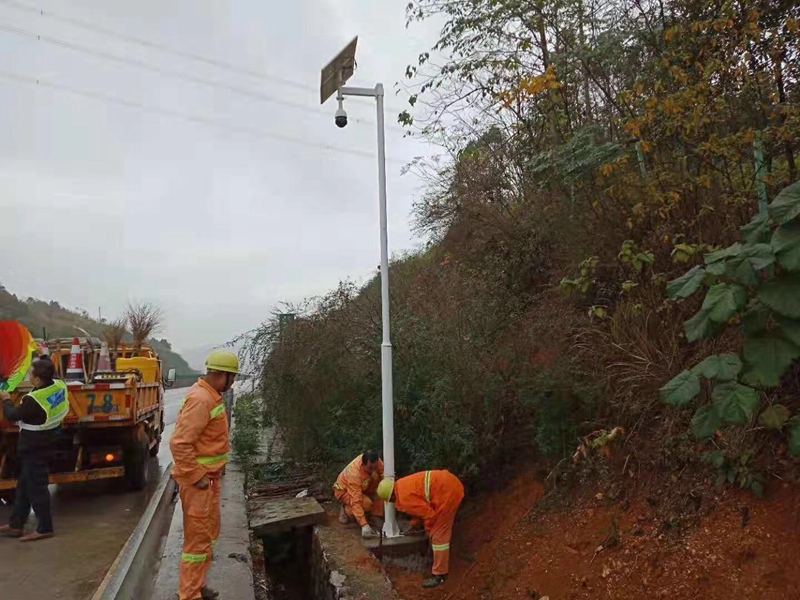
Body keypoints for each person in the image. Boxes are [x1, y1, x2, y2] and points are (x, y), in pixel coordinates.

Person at [170, 351, 239, 600]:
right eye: (231, 378)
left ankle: (197, 586)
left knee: (208, 537)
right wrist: (196, 475)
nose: (232, 383)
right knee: (197, 543)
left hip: (209, 481)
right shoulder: (201, 400)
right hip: (200, 484)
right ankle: (189, 595)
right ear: (223, 375)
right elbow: (180, 444)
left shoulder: (211, 397)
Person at [0, 356, 68, 541]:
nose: (29, 375)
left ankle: (45, 527)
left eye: (31, 373)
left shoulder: (33, 400)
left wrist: (6, 399)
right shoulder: (59, 385)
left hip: (35, 446)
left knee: (37, 487)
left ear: (38, 379)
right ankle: (16, 524)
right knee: (24, 484)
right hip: (50, 439)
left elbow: (12, 415)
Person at [377, 470, 465, 589]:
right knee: (436, 532)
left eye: (390, 500)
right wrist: (414, 525)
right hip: (448, 484)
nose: (392, 502)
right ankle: (437, 564)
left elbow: (429, 515)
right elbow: (420, 508)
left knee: (439, 536)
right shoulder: (401, 486)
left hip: (447, 493)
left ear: (391, 496)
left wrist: (429, 531)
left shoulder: (404, 499)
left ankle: (440, 575)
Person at [332, 451, 384, 538]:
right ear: (362, 465)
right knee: (366, 504)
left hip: (364, 486)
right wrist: (364, 525)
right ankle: (346, 509)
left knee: (381, 487)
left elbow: (383, 473)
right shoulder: (354, 474)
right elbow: (356, 500)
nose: (373, 470)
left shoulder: (377, 461)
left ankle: (375, 516)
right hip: (344, 491)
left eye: (375, 467)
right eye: (370, 468)